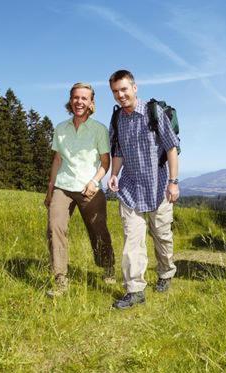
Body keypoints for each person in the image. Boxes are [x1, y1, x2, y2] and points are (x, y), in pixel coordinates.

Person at [108, 70, 180, 309]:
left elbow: (171, 147)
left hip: (158, 187)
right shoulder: (118, 119)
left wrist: (173, 182)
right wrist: (114, 175)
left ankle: (166, 273)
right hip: (130, 189)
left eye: (124, 89)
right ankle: (135, 290)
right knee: (132, 241)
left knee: (162, 237)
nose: (120, 95)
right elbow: (117, 152)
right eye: (116, 91)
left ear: (134, 88)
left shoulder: (153, 112)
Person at [45, 82, 115, 297]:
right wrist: (50, 189)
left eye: (84, 98)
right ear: (71, 100)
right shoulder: (61, 129)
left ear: (91, 102)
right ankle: (60, 278)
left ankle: (108, 266)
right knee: (54, 228)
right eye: (76, 97)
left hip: (89, 189)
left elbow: (106, 161)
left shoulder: (99, 129)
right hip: (63, 186)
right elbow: (57, 159)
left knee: (98, 231)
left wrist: (94, 182)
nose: (79, 102)